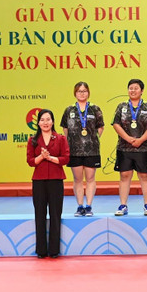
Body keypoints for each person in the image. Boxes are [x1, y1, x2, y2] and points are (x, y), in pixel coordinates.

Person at [27, 109, 70, 258]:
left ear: (53, 121)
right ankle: (41, 250)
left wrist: (50, 158)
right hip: (38, 181)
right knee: (39, 215)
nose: (45, 123)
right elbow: (30, 162)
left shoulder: (60, 139)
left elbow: (65, 159)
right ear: (38, 123)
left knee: (55, 214)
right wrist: (41, 156)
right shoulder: (32, 140)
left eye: (48, 119)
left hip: (56, 180)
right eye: (42, 120)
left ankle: (54, 250)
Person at [112, 79, 147, 216]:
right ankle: (123, 205)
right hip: (124, 148)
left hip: (143, 148)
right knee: (124, 176)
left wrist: (141, 139)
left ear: (142, 91)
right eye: (130, 88)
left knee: (145, 176)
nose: (133, 90)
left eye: (136, 88)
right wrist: (128, 139)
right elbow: (116, 124)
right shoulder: (121, 107)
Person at [61, 81, 103, 217]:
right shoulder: (69, 110)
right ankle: (80, 206)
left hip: (92, 150)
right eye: (79, 91)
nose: (82, 93)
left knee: (90, 178)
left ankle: (89, 206)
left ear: (88, 93)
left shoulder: (95, 109)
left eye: (84, 91)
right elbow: (65, 129)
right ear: (75, 93)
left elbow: (100, 127)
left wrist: (93, 140)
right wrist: (69, 144)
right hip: (74, 150)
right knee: (77, 179)